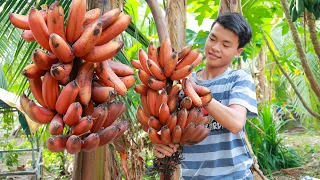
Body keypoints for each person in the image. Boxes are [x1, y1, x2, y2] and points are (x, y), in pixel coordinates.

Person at [153, 12, 258, 179]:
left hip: (234, 176)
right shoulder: (183, 81)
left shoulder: (239, 79)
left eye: (226, 44)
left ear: (238, 52)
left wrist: (196, 93)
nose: (215, 48)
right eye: (213, 39)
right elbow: (169, 127)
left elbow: (236, 123)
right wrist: (161, 144)